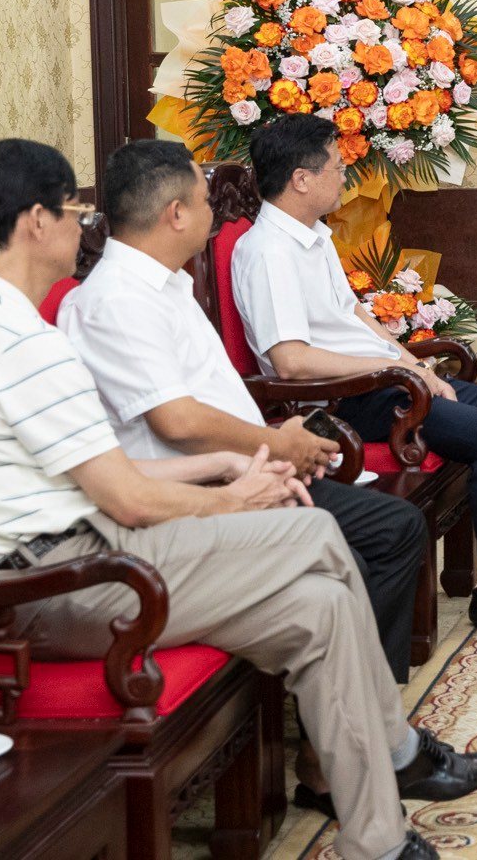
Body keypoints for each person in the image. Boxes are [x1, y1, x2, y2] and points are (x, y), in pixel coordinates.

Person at [0, 140, 477, 860]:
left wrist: (228, 467)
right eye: (71, 211)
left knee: (322, 607)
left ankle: (376, 840)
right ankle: (396, 756)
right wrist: (240, 497)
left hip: (79, 553)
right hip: (48, 584)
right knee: (313, 537)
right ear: (35, 222)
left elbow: (105, 474)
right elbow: (125, 497)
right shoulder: (11, 343)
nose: (80, 226)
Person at [59, 139, 427, 689]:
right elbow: (177, 423)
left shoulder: (168, 285)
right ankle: (362, 720)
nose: (216, 213)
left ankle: (365, 713)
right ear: (175, 213)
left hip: (242, 462)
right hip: (198, 488)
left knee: (395, 528)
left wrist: (277, 448)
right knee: (380, 531)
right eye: (206, 201)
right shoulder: (116, 300)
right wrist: (275, 446)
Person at [233, 116, 477, 641]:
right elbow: (291, 361)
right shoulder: (268, 251)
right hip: (343, 400)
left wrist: (414, 363)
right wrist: (397, 370)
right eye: (338, 167)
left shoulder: (310, 236)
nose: (345, 176)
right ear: (301, 178)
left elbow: (355, 316)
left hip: (386, 381)